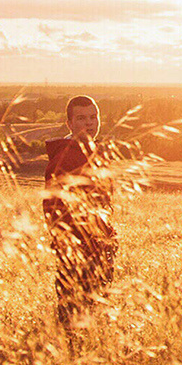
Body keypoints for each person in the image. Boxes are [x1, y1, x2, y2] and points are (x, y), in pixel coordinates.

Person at [43, 95, 118, 339]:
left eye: (93, 117)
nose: (89, 123)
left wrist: (109, 239)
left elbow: (105, 204)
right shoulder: (64, 157)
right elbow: (53, 209)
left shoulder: (95, 153)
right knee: (73, 319)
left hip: (99, 249)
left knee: (95, 317)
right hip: (77, 253)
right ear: (69, 124)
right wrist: (72, 248)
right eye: (81, 118)